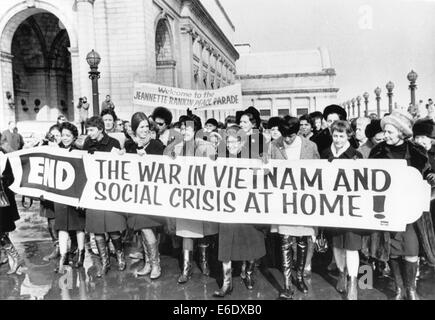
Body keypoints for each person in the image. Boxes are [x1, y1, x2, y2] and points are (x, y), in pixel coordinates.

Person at [369, 110, 432, 300]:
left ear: (401, 132)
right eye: (385, 131)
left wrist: (431, 178)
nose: (385, 135)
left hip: (412, 210)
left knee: (411, 250)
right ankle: (398, 289)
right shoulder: (377, 152)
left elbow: (425, 174)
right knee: (393, 251)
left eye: (389, 132)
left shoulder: (417, 151)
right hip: (387, 209)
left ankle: (410, 289)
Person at [269, 116, 319, 299]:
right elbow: (269, 171)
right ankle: (287, 283)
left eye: (290, 136)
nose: (287, 139)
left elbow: (318, 173)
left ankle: (299, 276)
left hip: (303, 201)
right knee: (285, 242)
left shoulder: (310, 146)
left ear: (297, 132)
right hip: (283, 201)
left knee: (302, 242)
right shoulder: (274, 145)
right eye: (284, 136)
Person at [212, 125, 266, 297]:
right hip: (227, 208)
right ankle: (227, 283)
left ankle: (248, 272)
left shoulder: (253, 158)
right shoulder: (219, 158)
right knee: (225, 245)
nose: (231, 145)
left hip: (246, 208)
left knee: (250, 241)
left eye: (235, 141)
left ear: (242, 143)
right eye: (228, 141)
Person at [164, 114, 218, 284]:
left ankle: (203, 261)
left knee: (204, 232)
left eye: (187, 128)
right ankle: (186, 268)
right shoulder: (175, 147)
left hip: (202, 196)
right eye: (182, 128)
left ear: (195, 130)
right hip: (184, 197)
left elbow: (213, 170)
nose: (183, 131)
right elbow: (165, 168)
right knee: (186, 231)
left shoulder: (207, 146)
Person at [321, 120, 364, 300]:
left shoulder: (356, 155)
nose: (338, 139)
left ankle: (353, 281)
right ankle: (341, 273)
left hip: (351, 208)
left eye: (341, 136)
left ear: (348, 136)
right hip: (332, 207)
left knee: (352, 246)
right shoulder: (325, 154)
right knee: (337, 244)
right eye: (335, 135)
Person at [82, 116, 126, 277]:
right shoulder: (87, 143)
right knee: (97, 230)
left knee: (113, 228)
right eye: (88, 130)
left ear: (100, 129)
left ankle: (120, 255)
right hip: (94, 192)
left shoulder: (113, 143)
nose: (89, 133)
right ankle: (105, 261)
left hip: (110, 191)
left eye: (91, 130)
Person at [124, 112, 165, 280]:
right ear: (134, 129)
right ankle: (148, 263)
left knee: (148, 228)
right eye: (141, 127)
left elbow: (162, 168)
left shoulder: (156, 145)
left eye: (147, 126)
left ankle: (156, 264)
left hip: (152, 195)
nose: (145, 130)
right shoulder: (129, 145)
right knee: (142, 229)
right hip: (135, 194)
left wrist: (145, 157)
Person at [53, 122, 86, 273]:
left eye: (68, 135)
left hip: (75, 194)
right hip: (59, 195)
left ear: (74, 137)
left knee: (78, 226)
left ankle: (80, 254)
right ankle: (63, 257)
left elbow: (83, 175)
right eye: (63, 135)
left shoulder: (80, 152)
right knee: (61, 226)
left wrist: (82, 197)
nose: (65, 138)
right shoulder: (54, 151)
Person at [0, 147, 23, 275]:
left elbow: (11, 177)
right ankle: (15, 258)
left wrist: (2, 179)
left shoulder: (2, 156)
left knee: (1, 231)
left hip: (1, 199)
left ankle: (15, 258)